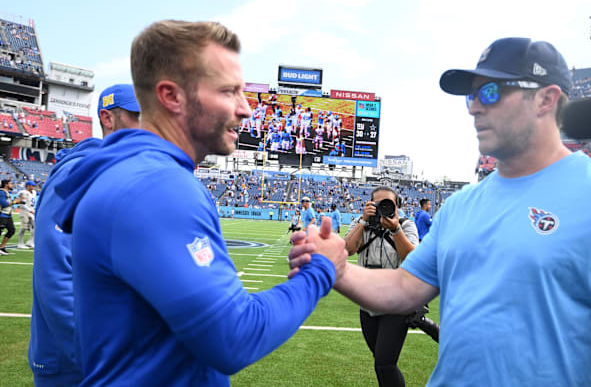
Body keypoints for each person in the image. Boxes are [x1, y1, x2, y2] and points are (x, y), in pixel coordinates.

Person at [289, 37, 591, 386]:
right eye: (471, 96)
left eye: (489, 93)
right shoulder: (462, 206)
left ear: (546, 99)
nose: (473, 109)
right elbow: (403, 288)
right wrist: (336, 268)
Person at [52, 20, 346, 386]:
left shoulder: (139, 175)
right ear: (172, 96)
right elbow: (233, 338)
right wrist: (321, 270)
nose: (246, 109)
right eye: (228, 91)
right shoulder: (156, 187)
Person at [28, 84, 141, 386]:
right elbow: (55, 275)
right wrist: (99, 358)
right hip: (76, 364)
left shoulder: (119, 173)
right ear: (107, 118)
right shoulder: (77, 172)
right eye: (138, 116)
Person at [343, 186, 418, 387]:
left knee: (385, 364)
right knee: (380, 361)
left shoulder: (407, 225)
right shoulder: (361, 224)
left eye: (388, 204)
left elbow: (412, 258)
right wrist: (363, 222)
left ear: (397, 206)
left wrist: (395, 229)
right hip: (367, 303)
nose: (382, 208)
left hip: (396, 303)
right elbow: (348, 249)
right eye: (377, 204)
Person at [0, 179, 22, 255]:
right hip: (2, 214)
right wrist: (15, 202)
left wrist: (18, 201)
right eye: (11, 184)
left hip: (7, 215)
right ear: (6, 184)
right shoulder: (2, 192)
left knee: (11, 230)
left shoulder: (7, 192)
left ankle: (2, 247)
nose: (12, 185)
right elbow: (4, 204)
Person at [16, 180, 37, 249]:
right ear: (28, 186)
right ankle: (20, 243)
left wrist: (32, 210)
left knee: (35, 227)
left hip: (31, 211)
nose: (33, 187)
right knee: (24, 227)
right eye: (32, 185)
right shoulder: (23, 192)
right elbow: (22, 204)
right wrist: (30, 210)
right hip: (24, 211)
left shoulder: (34, 192)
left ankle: (31, 241)